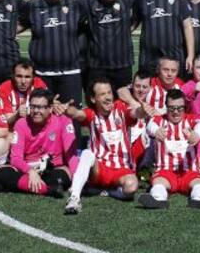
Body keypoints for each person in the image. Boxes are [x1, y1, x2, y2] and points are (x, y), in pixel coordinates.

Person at [61, 78, 143, 213]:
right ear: (93, 99)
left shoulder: (121, 108)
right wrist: (65, 109)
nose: (108, 98)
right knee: (87, 154)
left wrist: (143, 110)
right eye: (102, 94)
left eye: (109, 93)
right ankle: (74, 198)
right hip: (99, 169)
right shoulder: (91, 114)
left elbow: (135, 113)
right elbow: (76, 113)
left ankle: (105, 192)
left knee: (132, 187)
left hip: (121, 169)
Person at [137, 89, 200, 209]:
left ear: (185, 107)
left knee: (199, 183)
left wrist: (196, 135)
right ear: (166, 107)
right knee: (159, 183)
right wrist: (156, 131)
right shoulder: (159, 121)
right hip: (166, 171)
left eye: (180, 108)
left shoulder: (192, 120)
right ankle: (158, 200)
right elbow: (150, 127)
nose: (176, 112)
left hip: (189, 171)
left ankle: (199, 200)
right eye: (172, 108)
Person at [0, 88, 78, 198]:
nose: (36, 111)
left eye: (41, 107)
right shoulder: (21, 124)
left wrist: (77, 180)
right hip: (26, 169)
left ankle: (14, 185)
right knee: (2, 172)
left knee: (61, 176)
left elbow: (71, 154)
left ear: (50, 108)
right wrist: (31, 171)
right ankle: (48, 190)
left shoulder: (64, 121)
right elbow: (16, 158)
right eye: (33, 107)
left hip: (52, 169)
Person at [20, 0, 86, 105]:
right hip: (42, 74)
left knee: (71, 117)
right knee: (42, 116)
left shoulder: (75, 5)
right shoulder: (33, 7)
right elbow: (20, 25)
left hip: (70, 73)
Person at [132, 0, 195, 74]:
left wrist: (190, 56)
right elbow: (133, 24)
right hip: (149, 58)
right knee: (148, 90)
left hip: (174, 56)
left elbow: (187, 27)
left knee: (175, 91)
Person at [81, 0, 137, 92]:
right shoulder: (90, 1)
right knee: (97, 102)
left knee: (123, 102)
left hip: (122, 65)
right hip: (98, 67)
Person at [0, 59, 48, 129]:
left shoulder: (39, 84)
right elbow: (7, 120)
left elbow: (46, 111)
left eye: (27, 77)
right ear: (13, 76)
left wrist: (56, 104)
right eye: (19, 76)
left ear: (33, 77)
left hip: (36, 127)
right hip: (14, 128)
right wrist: (17, 115)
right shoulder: (3, 89)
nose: (23, 81)